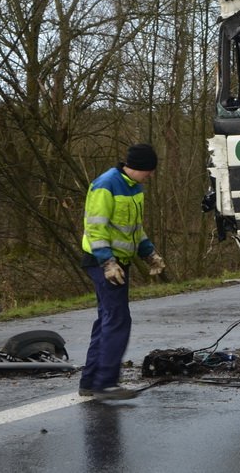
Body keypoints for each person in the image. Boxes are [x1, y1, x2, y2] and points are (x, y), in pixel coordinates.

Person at [78, 143, 166, 401]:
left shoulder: (134, 188)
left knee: (107, 318)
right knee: (117, 320)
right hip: (102, 262)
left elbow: (135, 228)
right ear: (136, 167)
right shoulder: (106, 185)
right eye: (148, 171)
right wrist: (107, 262)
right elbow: (95, 228)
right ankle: (106, 383)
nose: (150, 176)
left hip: (119, 262)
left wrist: (149, 253)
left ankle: (91, 381)